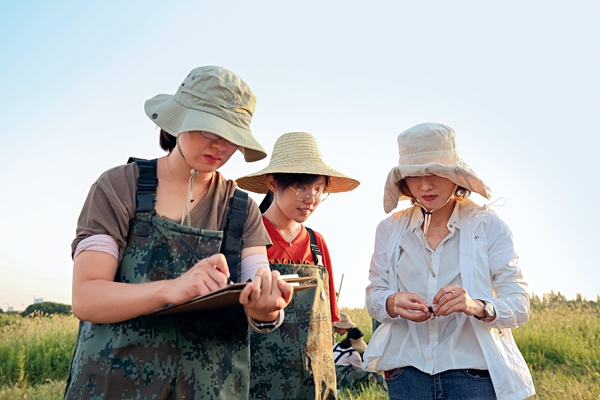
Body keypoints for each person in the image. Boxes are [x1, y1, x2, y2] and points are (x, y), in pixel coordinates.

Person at [63, 66, 294, 400]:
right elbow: (87, 297)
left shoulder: (242, 210)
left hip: (212, 388)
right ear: (179, 119)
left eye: (232, 137)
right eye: (211, 129)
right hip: (113, 384)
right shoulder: (118, 187)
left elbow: (259, 292)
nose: (221, 145)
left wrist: (267, 308)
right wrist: (173, 289)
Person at [363, 123, 535, 400]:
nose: (425, 184)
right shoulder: (389, 229)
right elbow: (374, 296)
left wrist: (477, 306)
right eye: (414, 175)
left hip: (472, 376)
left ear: (456, 176)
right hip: (407, 373)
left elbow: (520, 304)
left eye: (435, 172)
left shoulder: (487, 225)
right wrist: (392, 303)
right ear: (403, 180)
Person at [236, 131, 360, 400]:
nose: (311, 198)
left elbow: (328, 322)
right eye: (301, 187)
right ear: (272, 183)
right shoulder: (248, 237)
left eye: (318, 189)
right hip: (257, 381)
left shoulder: (317, 244)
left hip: (315, 382)